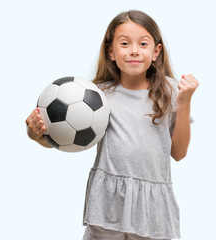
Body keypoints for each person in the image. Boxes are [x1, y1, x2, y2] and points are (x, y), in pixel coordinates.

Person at [25, 10, 198, 240]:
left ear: (156, 51)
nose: (134, 50)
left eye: (143, 44)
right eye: (125, 43)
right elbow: (64, 140)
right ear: (111, 52)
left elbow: (179, 153)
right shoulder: (97, 95)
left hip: (152, 207)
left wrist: (184, 103)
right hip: (108, 202)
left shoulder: (169, 91)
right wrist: (36, 134)